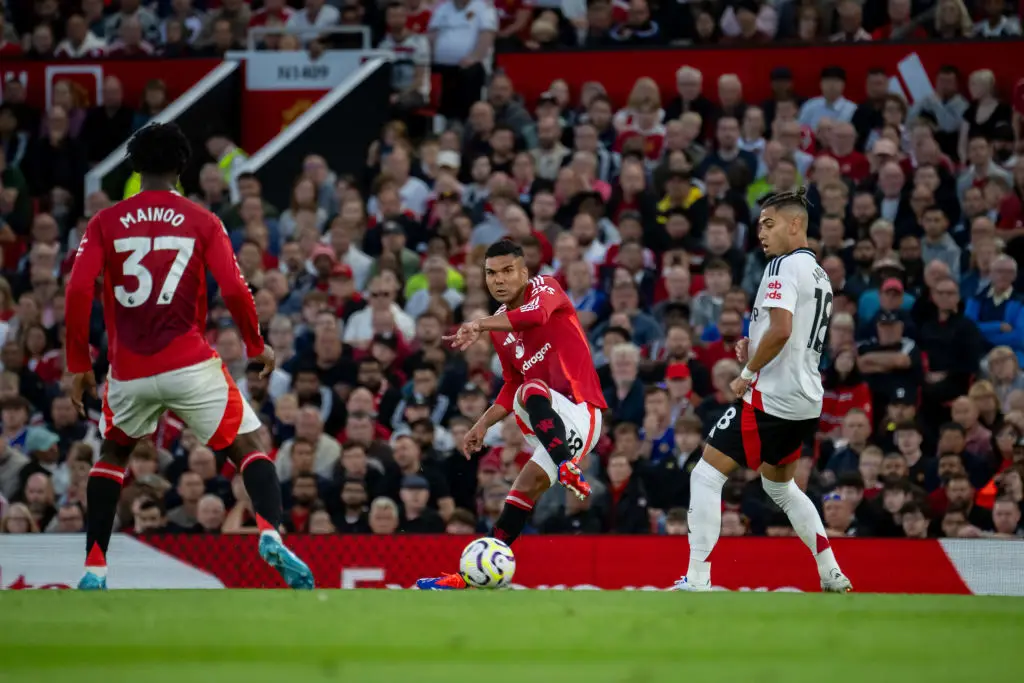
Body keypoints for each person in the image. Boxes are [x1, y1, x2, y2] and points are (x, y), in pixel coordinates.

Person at [63, 123, 313, 590]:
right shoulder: (203, 220)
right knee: (248, 447)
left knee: (113, 454)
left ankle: (94, 568)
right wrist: (256, 345)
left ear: (134, 168)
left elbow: (77, 290)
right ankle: (270, 533)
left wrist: (79, 364)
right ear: (182, 167)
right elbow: (236, 290)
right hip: (188, 363)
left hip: (129, 369)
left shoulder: (105, 223)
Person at [674, 189, 853, 593]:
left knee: (704, 475)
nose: (761, 233)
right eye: (758, 226)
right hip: (806, 400)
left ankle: (697, 579)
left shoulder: (782, 267)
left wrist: (748, 370)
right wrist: (753, 343)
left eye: (769, 224)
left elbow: (784, 329)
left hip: (772, 396)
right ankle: (830, 571)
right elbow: (790, 333)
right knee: (780, 486)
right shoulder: (818, 273)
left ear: (795, 225)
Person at [416, 239, 608, 590]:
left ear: (524, 272)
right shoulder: (503, 335)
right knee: (523, 488)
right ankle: (473, 578)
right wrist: (482, 423)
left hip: (581, 410)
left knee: (530, 390)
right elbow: (510, 385)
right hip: (549, 420)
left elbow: (534, 317)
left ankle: (565, 465)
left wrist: (481, 323)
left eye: (507, 271)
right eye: (491, 273)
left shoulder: (545, 288)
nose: (498, 280)